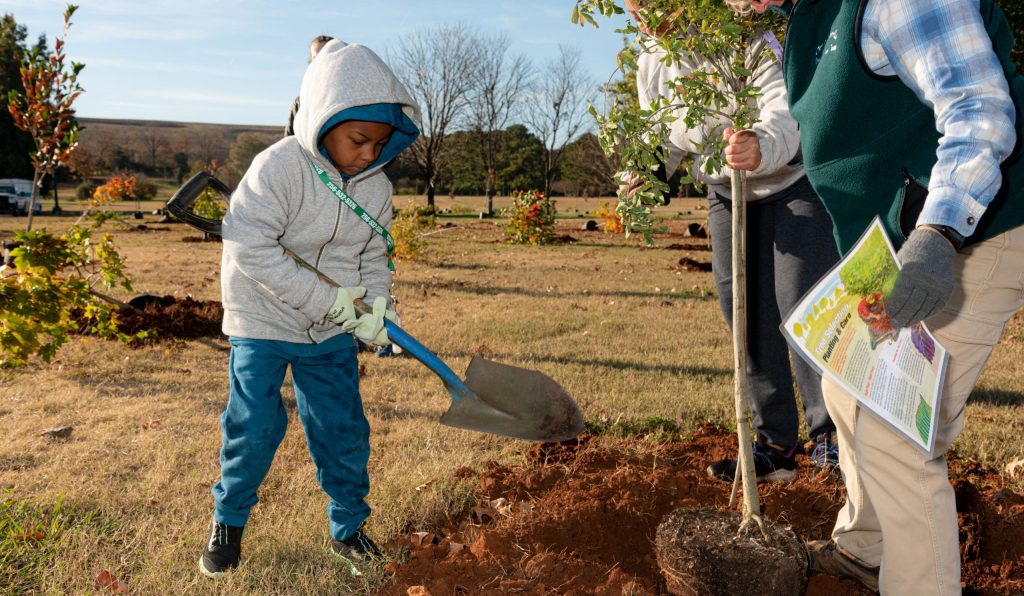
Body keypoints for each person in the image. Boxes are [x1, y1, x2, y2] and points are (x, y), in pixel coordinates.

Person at [741, 0, 1024, 593]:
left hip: (979, 223)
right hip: (896, 243)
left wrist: (938, 234)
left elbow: (977, 110)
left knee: (896, 427)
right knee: (846, 389)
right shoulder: (806, 18)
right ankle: (869, 549)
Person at [199, 38, 421, 578]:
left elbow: (374, 253)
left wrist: (375, 306)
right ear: (324, 119)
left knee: (342, 429)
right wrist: (330, 301)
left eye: (380, 144)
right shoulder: (278, 168)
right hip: (263, 318)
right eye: (358, 140)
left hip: (330, 333)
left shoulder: (376, 188)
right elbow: (250, 247)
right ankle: (229, 521)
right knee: (255, 426)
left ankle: (348, 529)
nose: (368, 153)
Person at [622, 0, 841, 483]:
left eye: (652, 5)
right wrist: (647, 172)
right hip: (727, 194)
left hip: (794, 182)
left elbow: (786, 107)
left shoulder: (747, 30)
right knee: (743, 313)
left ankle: (833, 440)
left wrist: (760, 144)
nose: (644, 17)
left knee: (804, 307)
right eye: (634, 9)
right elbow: (664, 130)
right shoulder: (653, 57)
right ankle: (776, 447)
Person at [284, 34, 334, 137]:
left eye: (326, 56)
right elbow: (289, 142)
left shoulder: (356, 100)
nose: (321, 62)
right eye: (316, 58)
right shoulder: (300, 104)